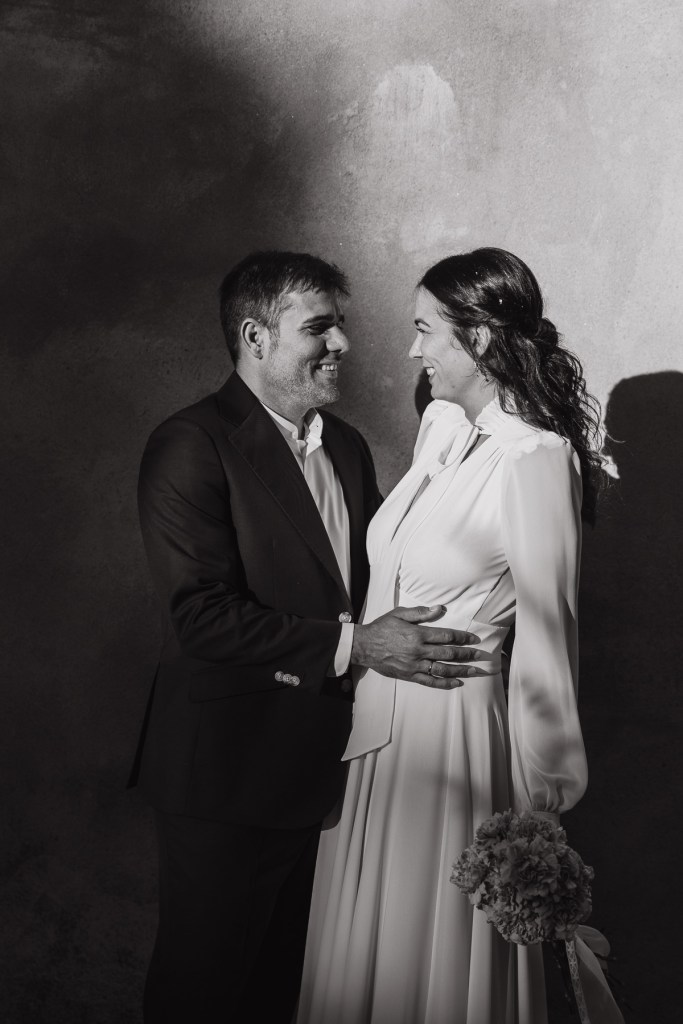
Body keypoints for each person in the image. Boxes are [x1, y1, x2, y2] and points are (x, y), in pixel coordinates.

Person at [129, 251, 481, 1024]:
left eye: (340, 325)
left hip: (328, 772)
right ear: (255, 337)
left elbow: (383, 578)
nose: (342, 343)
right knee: (202, 990)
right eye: (319, 327)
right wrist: (359, 647)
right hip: (225, 776)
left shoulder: (345, 445)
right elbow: (200, 616)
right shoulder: (190, 443)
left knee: (284, 993)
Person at [297, 248, 603, 1024]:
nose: (412, 349)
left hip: (456, 746)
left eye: (425, 329)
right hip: (375, 744)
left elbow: (548, 634)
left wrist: (541, 803)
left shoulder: (535, 459)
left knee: (433, 966)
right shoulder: (440, 431)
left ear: (480, 337)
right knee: (362, 967)